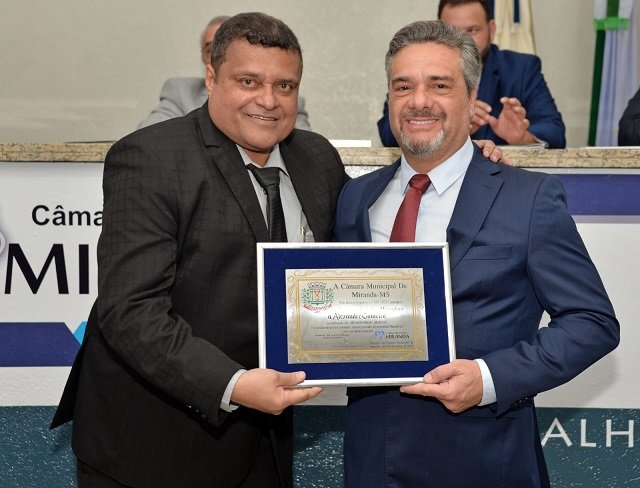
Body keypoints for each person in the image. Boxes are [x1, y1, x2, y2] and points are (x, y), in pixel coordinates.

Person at [50, 12, 349, 488]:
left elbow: (361, 257)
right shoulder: (151, 157)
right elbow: (130, 310)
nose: (268, 100)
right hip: (152, 449)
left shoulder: (317, 159)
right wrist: (234, 385)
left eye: (285, 86)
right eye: (248, 81)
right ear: (211, 78)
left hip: (266, 444)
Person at [335, 20, 619, 487]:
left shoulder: (528, 198)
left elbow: (592, 322)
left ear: (472, 99)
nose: (418, 101)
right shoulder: (356, 198)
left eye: (439, 85)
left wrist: (488, 379)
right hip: (372, 462)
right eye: (403, 86)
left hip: (485, 461)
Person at [377, 0, 566, 149]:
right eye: (452, 31)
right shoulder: (419, 66)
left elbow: (555, 131)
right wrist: (451, 128)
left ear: (492, 30)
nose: (463, 40)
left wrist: (522, 138)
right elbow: (388, 133)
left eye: (472, 30)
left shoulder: (521, 68)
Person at [137, 15, 312, 131]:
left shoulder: (285, 102)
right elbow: (150, 140)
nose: (268, 102)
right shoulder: (182, 92)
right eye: (210, 49)